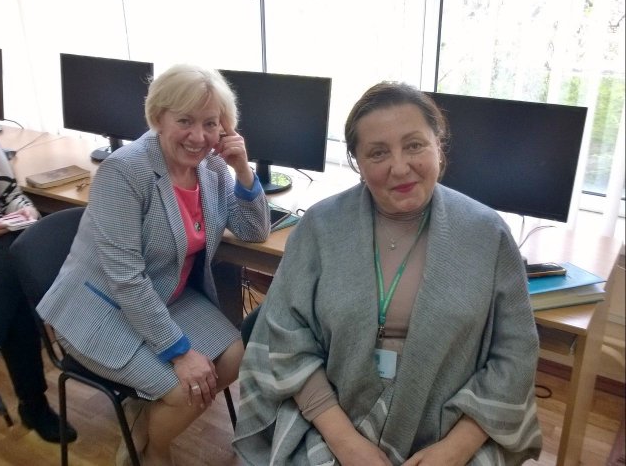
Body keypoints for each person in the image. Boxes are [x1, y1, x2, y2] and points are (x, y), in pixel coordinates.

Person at [233, 82, 542, 465]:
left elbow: (515, 354)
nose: (400, 167)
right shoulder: (320, 227)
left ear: (438, 146)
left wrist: (456, 448)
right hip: (330, 418)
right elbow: (285, 336)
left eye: (414, 145)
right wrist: (345, 441)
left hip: (451, 427)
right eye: (378, 153)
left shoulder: (488, 233)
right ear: (357, 163)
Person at [36, 64, 271, 466]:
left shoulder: (213, 168)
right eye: (185, 121)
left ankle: (142, 416)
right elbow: (126, 279)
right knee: (183, 390)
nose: (198, 136)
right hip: (101, 309)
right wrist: (180, 352)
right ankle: (151, 453)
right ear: (158, 117)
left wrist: (243, 169)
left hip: (164, 295)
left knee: (235, 356)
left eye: (210, 123)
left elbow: (254, 230)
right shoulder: (125, 171)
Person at [0, 127, 78, 443]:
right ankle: (33, 405)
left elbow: (10, 192)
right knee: (12, 277)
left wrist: (25, 210)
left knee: (11, 280)